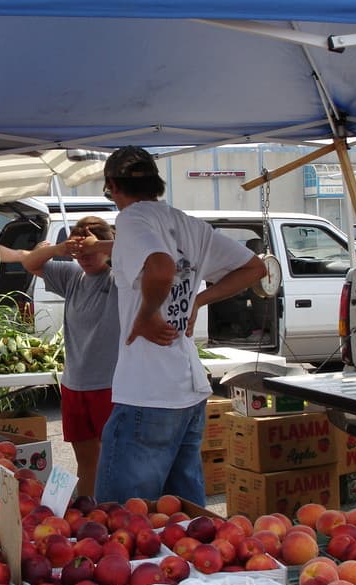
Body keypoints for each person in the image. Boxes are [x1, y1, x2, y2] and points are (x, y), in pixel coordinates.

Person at [93, 146, 266, 505]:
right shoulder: (187, 223)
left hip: (147, 389)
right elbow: (254, 267)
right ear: (156, 183)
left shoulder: (132, 219)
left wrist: (146, 314)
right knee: (183, 518)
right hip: (189, 390)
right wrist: (197, 300)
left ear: (112, 185)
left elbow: (161, 267)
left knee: (125, 519)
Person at [22, 216, 117, 497]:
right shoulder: (72, 276)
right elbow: (30, 262)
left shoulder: (120, 279)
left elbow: (138, 253)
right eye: (80, 253)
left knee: (112, 462)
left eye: (91, 252)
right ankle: (88, 511)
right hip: (74, 384)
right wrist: (58, 250)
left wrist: (100, 243)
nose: (85, 258)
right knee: (86, 461)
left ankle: (111, 510)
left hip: (108, 386)